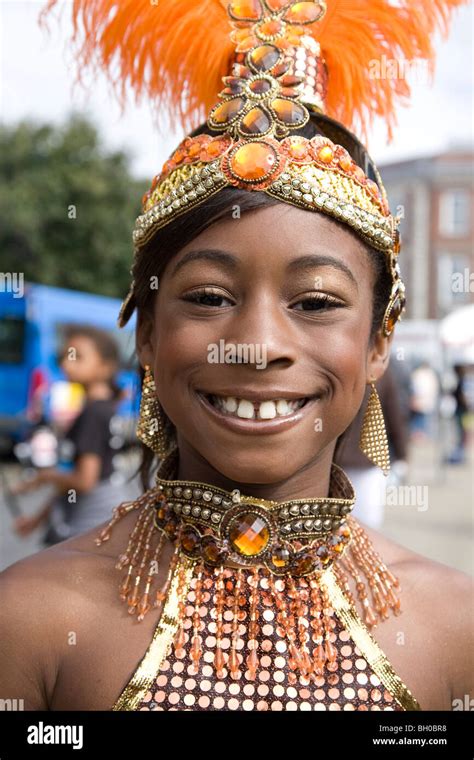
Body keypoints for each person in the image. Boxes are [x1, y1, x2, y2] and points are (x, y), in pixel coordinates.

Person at [0, 0, 471, 713]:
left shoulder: (455, 628)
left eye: (314, 302)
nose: (259, 346)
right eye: (210, 297)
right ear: (147, 334)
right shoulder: (29, 620)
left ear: (380, 343)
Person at [12, 325, 129, 544]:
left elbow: (84, 481)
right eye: (64, 356)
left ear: (105, 367)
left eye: (77, 357)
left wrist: (45, 476)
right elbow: (72, 482)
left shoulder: (93, 413)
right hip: (101, 517)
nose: (66, 364)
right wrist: (37, 520)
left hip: (89, 522)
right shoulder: (104, 408)